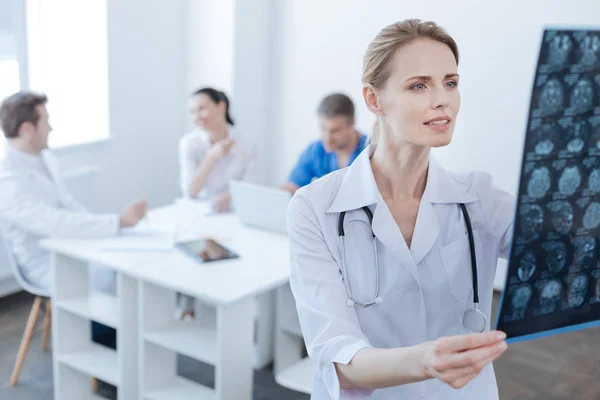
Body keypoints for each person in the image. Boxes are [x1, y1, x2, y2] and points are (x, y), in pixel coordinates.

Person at [287, 20, 514, 399]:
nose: (442, 99)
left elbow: (562, 250)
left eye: (451, 83)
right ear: (375, 100)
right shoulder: (314, 208)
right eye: (419, 85)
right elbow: (338, 356)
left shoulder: (480, 197)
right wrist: (426, 361)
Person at [0, 91, 147, 357]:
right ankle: (108, 358)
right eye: (46, 120)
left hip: (70, 246)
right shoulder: (7, 180)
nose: (51, 128)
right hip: (44, 262)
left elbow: (69, 207)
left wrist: (112, 227)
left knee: (128, 258)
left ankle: (131, 344)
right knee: (111, 275)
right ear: (27, 128)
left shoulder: (44, 159)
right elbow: (54, 224)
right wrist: (117, 222)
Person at [179, 87, 258, 212]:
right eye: (193, 112)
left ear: (221, 107)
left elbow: (253, 186)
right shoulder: (189, 143)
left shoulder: (247, 145)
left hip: (234, 210)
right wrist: (211, 157)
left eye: (202, 109)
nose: (197, 116)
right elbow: (191, 192)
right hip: (198, 209)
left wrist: (230, 196)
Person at [281, 93, 368, 195]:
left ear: (352, 122)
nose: (327, 138)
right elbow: (291, 188)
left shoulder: (371, 152)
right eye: (323, 129)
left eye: (335, 131)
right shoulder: (315, 150)